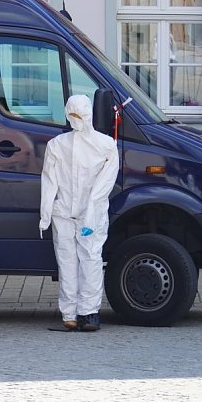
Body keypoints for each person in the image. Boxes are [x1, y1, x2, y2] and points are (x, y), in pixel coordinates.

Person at [40, 95, 119, 332]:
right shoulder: (57, 145)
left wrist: (92, 208)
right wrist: (45, 214)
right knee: (66, 261)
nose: (77, 120)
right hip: (63, 212)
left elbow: (105, 183)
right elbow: (49, 181)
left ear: (89, 115)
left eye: (80, 115)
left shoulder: (105, 145)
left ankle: (89, 312)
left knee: (91, 259)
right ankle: (70, 313)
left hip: (90, 215)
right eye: (72, 116)